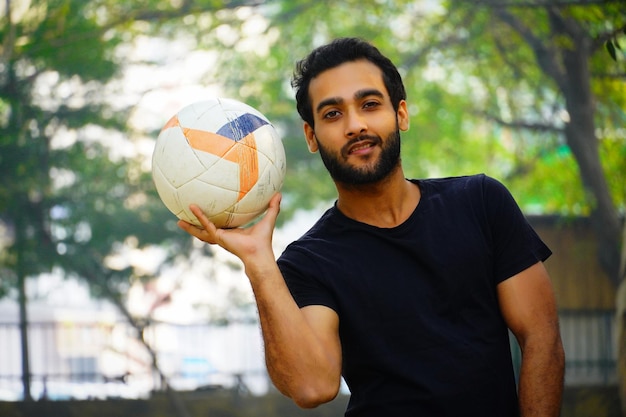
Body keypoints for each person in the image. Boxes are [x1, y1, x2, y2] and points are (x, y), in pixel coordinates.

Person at [178, 37, 565, 416]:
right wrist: (258, 261)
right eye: (332, 114)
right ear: (311, 136)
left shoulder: (481, 202)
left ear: (401, 114)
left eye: (370, 105)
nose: (355, 125)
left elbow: (541, 337)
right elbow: (313, 387)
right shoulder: (307, 263)